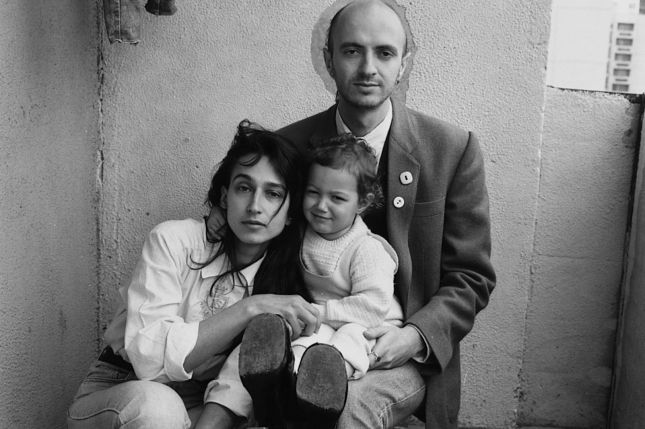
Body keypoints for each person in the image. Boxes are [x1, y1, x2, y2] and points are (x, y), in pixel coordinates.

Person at [276, 1, 496, 427]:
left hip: (405, 353)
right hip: (309, 337)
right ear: (328, 59)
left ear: (403, 64)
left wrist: (415, 336)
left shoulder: (452, 150)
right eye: (352, 51)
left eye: (385, 53)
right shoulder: (289, 147)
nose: (368, 68)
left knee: (348, 410)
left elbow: (471, 276)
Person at [66, 120, 321, 429]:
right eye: (244, 188)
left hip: (204, 403)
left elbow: (238, 382)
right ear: (225, 197)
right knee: (159, 409)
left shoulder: (286, 279)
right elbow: (148, 359)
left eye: (273, 194)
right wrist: (250, 308)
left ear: (291, 211)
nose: (255, 206)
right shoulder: (173, 240)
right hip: (123, 390)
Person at [202, 133, 404, 428]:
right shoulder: (300, 230)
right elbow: (260, 224)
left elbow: (371, 308)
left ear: (363, 202)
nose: (321, 206)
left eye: (337, 198)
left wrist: (317, 312)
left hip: (369, 325)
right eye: (313, 193)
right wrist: (220, 213)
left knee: (341, 344)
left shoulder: (367, 249)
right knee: (270, 347)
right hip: (318, 321)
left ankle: (319, 392)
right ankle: (274, 386)